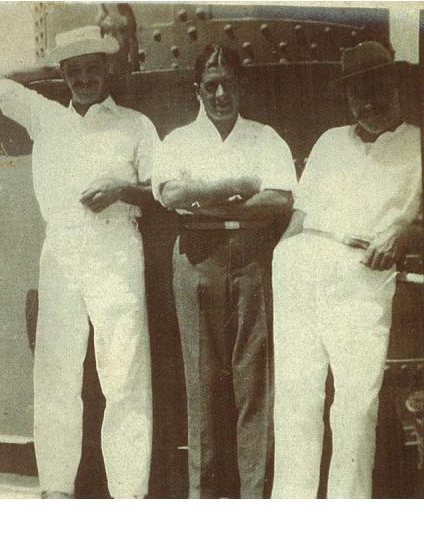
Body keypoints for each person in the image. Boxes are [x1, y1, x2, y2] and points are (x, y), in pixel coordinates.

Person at [0, 25, 156, 498]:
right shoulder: (45, 117)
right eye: (74, 70)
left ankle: (129, 493)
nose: (84, 79)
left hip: (116, 244)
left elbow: (160, 191)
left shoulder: (135, 124)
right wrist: (48, 66)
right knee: (56, 372)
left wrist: (123, 190)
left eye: (92, 67)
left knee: (124, 370)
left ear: (108, 70)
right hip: (61, 247)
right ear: (62, 75)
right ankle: (56, 489)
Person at [271, 41, 422, 499]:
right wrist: (284, 257)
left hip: (361, 276)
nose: (366, 103)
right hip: (302, 268)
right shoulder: (330, 141)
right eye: (356, 94)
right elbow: (300, 213)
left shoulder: (418, 143)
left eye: (375, 89)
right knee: (296, 400)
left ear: (396, 86)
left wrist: (402, 231)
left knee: (355, 406)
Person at [152, 45, 297, 498]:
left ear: (241, 86)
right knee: (201, 381)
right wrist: (234, 186)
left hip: (251, 258)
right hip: (196, 258)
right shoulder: (177, 141)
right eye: (210, 86)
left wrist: (205, 203)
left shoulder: (264, 137)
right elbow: (171, 193)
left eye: (228, 84)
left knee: (253, 381)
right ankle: (204, 496)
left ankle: (254, 495)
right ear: (197, 89)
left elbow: (279, 199)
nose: (220, 94)